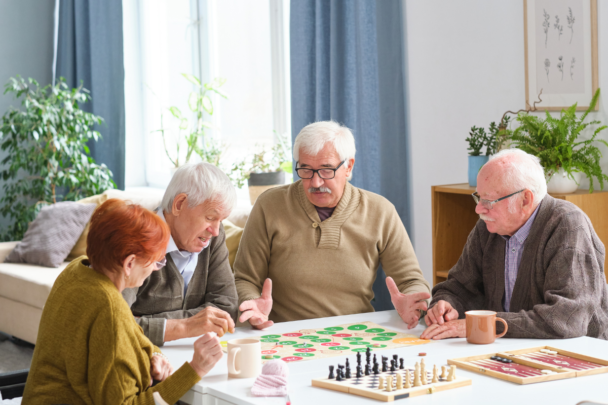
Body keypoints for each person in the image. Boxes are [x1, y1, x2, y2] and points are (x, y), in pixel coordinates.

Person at [22, 199, 223, 404]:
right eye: (155, 260)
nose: (155, 268)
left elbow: (130, 332)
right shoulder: (109, 308)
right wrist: (195, 369)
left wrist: (153, 353)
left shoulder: (77, 270)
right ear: (129, 263)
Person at [234, 121, 431, 329]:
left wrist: (414, 303)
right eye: (306, 170)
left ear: (349, 167)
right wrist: (252, 304)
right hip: (283, 333)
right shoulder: (269, 205)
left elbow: (410, 281)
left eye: (326, 170)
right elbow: (245, 278)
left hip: (355, 335)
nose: (316, 183)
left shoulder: (380, 211)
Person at [421, 149, 608, 340]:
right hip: (511, 349)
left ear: (525, 200)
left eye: (489, 200)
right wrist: (446, 304)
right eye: (478, 197)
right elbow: (459, 286)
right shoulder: (489, 227)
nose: (479, 209)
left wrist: (484, 325)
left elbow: (566, 320)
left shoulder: (568, 225)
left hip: (580, 355)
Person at [123, 163, 239, 346]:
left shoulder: (213, 236)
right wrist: (185, 327)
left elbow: (226, 308)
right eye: (210, 217)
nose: (215, 231)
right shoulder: (136, 237)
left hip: (195, 351)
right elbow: (117, 325)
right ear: (179, 204)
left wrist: (147, 322)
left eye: (220, 221)